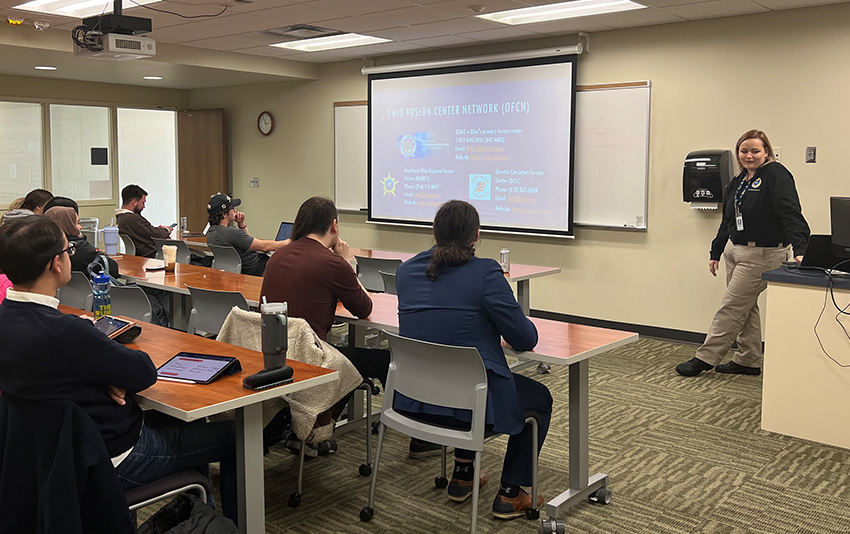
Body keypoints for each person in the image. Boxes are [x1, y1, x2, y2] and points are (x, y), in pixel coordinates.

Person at [0, 216, 239, 523]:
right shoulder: (67, 334)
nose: (71, 255)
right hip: (112, 456)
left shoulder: (14, 322)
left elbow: (56, 375)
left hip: (45, 460)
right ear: (54, 264)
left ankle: (198, 519)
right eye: (68, 249)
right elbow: (143, 373)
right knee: (235, 437)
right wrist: (101, 357)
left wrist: (99, 369)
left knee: (189, 430)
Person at [394, 200, 551, 519]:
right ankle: (511, 492)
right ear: (476, 235)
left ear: (434, 233)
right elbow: (525, 339)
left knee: (463, 377)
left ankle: (464, 475)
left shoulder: (406, 271)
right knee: (539, 398)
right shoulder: (486, 272)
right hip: (469, 408)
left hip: (416, 405)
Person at [676, 130, 810, 377]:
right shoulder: (740, 181)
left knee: (731, 307)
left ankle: (705, 358)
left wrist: (802, 250)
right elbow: (727, 220)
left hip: (763, 254)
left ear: (766, 152)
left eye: (755, 151)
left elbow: (790, 212)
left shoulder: (775, 175)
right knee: (745, 307)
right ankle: (748, 359)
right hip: (736, 251)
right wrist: (715, 251)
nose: (749, 155)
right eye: (744, 151)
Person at [206, 193, 287, 276]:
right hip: (258, 269)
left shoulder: (212, 233)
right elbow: (264, 246)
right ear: (224, 214)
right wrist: (288, 242)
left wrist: (242, 224)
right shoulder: (231, 233)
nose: (236, 211)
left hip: (241, 271)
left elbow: (248, 243)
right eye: (232, 208)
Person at [45, 206, 119, 278]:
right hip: (89, 289)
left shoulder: (44, 247)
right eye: (77, 223)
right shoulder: (80, 248)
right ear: (69, 225)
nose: (81, 227)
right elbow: (113, 269)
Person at [115, 184, 172, 258]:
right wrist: (167, 230)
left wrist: (158, 229)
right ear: (134, 202)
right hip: (152, 256)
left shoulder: (121, 218)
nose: (144, 206)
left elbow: (145, 231)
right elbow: (155, 235)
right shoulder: (131, 218)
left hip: (142, 255)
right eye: (143, 202)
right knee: (188, 254)